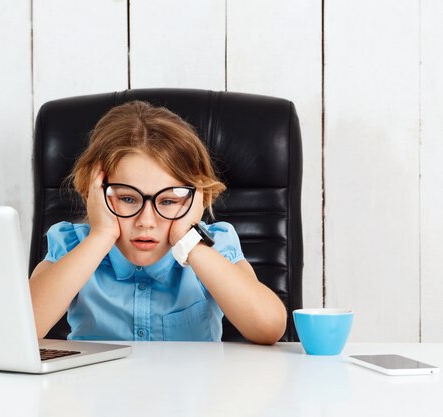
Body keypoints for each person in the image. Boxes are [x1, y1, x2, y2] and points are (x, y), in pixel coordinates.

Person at [29, 101, 286, 344]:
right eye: (128, 198)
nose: (146, 221)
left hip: (193, 390)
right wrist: (101, 235)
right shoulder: (73, 245)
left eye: (168, 201)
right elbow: (22, 329)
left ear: (198, 199)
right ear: (91, 194)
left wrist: (190, 242)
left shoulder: (214, 246)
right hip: (98, 389)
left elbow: (269, 327)